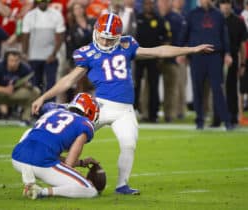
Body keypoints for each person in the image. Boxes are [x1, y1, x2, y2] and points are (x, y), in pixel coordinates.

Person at [31, 13, 214, 195]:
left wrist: (191, 49)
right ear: (96, 32)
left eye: (110, 39)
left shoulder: (127, 45)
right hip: (98, 108)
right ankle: (49, 173)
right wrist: (43, 97)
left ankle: (122, 185)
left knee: (128, 145)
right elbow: (69, 80)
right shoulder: (86, 53)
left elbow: (158, 50)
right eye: (103, 38)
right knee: (66, 140)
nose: (105, 43)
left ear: (118, 37)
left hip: (125, 110)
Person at [12, 92, 100, 199]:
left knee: (31, 132)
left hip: (17, 157)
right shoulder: (85, 124)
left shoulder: (53, 112)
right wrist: (73, 174)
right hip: (41, 163)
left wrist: (81, 163)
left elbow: (48, 150)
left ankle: (29, 181)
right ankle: (41, 192)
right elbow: (69, 163)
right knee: (90, 189)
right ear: (90, 112)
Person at [179, 0, 233, 130]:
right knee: (197, 90)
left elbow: (224, 35)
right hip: (197, 57)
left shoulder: (218, 15)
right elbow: (184, 34)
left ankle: (226, 121)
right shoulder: (191, 14)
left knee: (218, 90)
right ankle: (199, 121)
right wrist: (181, 52)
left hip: (215, 57)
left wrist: (227, 53)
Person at [213, 0, 247, 127]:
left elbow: (243, 45)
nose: (225, 6)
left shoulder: (238, 21)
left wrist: (243, 63)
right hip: (216, 57)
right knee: (217, 88)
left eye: (227, 3)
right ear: (219, 5)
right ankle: (217, 118)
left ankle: (232, 117)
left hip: (233, 57)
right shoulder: (215, 20)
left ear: (230, 5)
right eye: (223, 3)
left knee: (232, 88)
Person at [0, 48, 40, 126]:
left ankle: (26, 118)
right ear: (6, 60)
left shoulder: (25, 68)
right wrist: (5, 90)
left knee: (36, 91)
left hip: (16, 93)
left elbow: (33, 83)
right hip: (1, 93)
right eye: (11, 60)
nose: (14, 63)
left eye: (16, 60)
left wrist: (28, 85)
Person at [22, 0, 65, 96]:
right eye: (40, 1)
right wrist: (24, 53)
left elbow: (61, 36)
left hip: (51, 56)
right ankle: (36, 108)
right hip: (34, 56)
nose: (43, 3)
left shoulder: (56, 15)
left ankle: (50, 107)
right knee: (35, 84)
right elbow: (25, 36)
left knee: (51, 84)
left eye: (45, 1)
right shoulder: (29, 15)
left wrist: (54, 54)